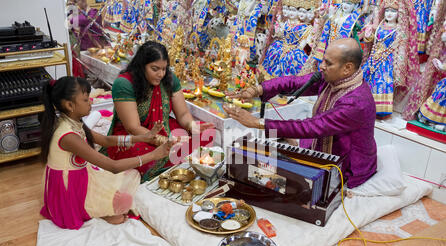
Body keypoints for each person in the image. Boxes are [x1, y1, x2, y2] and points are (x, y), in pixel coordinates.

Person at [224, 38, 377, 189]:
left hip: (346, 168)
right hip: (318, 150)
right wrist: (257, 89)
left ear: (347, 68)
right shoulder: (332, 78)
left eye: (328, 63)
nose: (322, 66)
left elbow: (312, 127)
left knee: (277, 183)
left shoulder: (357, 102)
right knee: (257, 170)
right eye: (323, 60)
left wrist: (258, 123)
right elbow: (294, 82)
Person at [40, 76, 179, 230]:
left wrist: (142, 137)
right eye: (86, 100)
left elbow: (105, 141)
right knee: (123, 201)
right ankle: (101, 211)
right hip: (70, 190)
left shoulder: (72, 122)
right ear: (69, 105)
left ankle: (105, 208)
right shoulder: (69, 136)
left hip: (82, 176)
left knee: (132, 177)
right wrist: (154, 155)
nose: (91, 102)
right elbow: (113, 166)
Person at [104, 41, 215, 182]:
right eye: (154, 69)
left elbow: (183, 114)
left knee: (205, 132)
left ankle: (180, 160)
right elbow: (133, 127)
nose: (160, 74)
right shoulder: (124, 84)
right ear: (141, 66)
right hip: (135, 136)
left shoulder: (168, 78)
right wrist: (164, 141)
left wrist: (191, 126)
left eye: (164, 68)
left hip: (163, 126)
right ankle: (175, 164)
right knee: (147, 158)